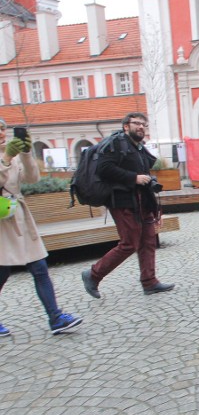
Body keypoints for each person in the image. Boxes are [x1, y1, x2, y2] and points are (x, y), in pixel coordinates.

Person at [0, 118, 82, 336]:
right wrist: (6, 158)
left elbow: (32, 178)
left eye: (2, 128)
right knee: (2, 273)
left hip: (19, 216)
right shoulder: (7, 154)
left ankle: (55, 318)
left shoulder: (13, 153)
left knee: (40, 268)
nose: (1, 133)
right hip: (1, 224)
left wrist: (25, 153)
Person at [81, 112, 174, 298]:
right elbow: (103, 168)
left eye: (143, 124)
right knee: (129, 243)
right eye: (136, 123)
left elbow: (145, 178)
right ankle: (93, 274)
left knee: (148, 240)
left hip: (142, 202)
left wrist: (155, 209)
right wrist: (133, 178)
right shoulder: (116, 144)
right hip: (122, 202)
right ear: (126, 126)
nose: (141, 127)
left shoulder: (138, 148)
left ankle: (150, 282)